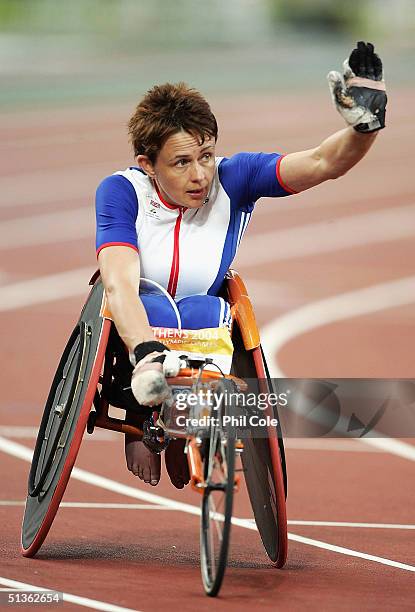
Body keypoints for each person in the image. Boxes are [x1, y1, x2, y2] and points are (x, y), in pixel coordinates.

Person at [95, 41, 387, 488]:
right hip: (139, 320)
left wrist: (364, 127)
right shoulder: (121, 191)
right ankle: (145, 409)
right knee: (146, 300)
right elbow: (118, 282)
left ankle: (186, 416)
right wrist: (146, 352)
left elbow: (323, 162)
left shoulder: (236, 178)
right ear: (147, 165)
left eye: (205, 156)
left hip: (203, 317)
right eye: (181, 162)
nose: (200, 175)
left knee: (208, 310)